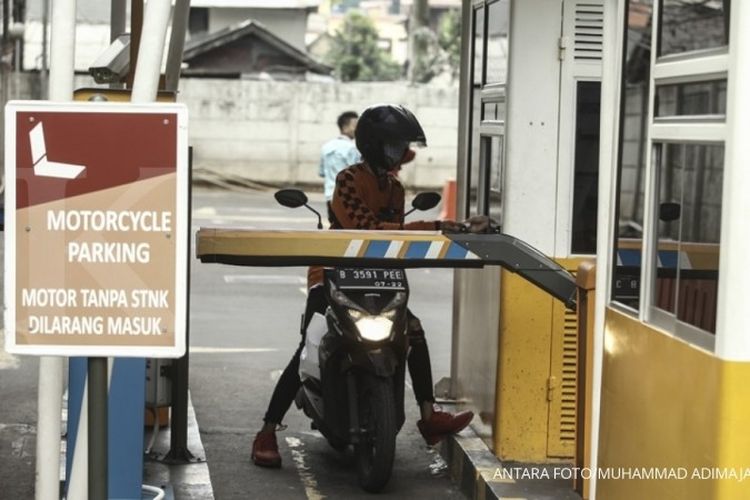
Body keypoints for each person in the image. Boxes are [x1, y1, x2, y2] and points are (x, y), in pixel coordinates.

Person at [252, 104, 477, 468]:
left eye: (401, 145)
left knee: (413, 331)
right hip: (333, 273)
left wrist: (454, 232)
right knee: (311, 340)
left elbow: (394, 239)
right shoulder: (348, 180)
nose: (399, 152)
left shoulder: (396, 189)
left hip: (378, 276)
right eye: (394, 145)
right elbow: (368, 231)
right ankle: (266, 430)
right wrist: (435, 227)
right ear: (375, 145)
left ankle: (428, 414)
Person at [319, 111, 361, 224]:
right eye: (355, 126)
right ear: (345, 127)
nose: (357, 129)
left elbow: (322, 172)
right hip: (347, 197)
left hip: (329, 196)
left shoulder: (326, 147)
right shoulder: (352, 149)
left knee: (334, 227)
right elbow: (358, 174)